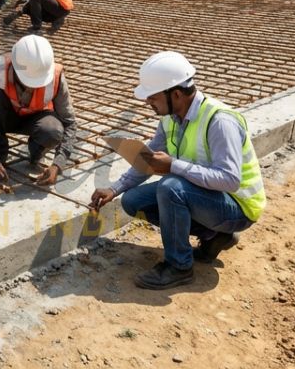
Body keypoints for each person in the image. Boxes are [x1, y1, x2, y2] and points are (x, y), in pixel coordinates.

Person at [89, 52, 267, 290]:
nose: (147, 102)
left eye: (152, 97)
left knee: (171, 187)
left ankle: (179, 267)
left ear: (176, 94)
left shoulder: (220, 121)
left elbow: (230, 180)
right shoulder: (170, 117)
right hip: (208, 198)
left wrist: (173, 165)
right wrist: (115, 188)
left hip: (238, 206)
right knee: (133, 201)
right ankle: (214, 236)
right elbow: (148, 159)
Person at [0, 34, 76, 186]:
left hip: (38, 119)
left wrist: (58, 165)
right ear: (14, 66)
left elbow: (70, 122)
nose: (32, 86)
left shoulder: (55, 75)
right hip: (5, 117)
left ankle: (36, 153)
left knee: (53, 131)